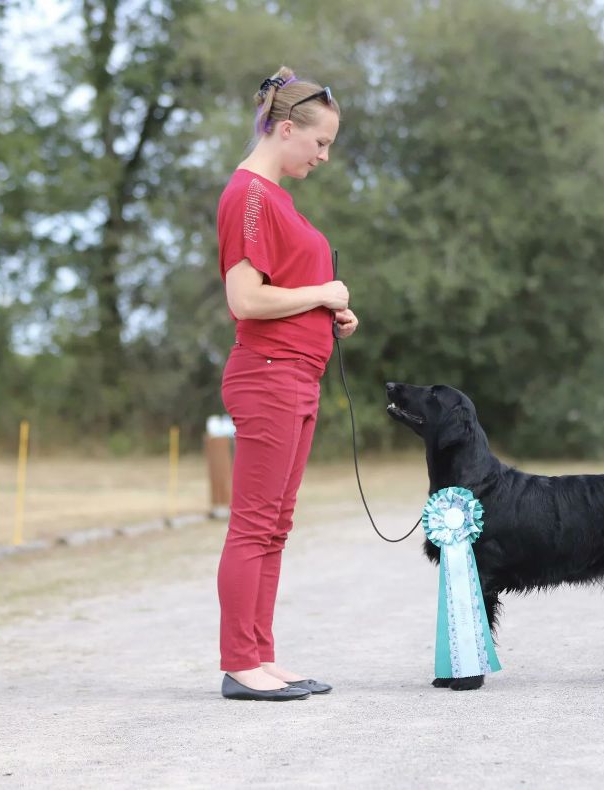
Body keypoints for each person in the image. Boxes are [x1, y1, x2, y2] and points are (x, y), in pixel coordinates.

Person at [215, 67, 357, 701]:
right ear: (287, 128)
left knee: (275, 527)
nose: (323, 156)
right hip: (267, 377)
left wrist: (331, 314)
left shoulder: (277, 200)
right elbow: (246, 300)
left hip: (299, 376)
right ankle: (239, 662)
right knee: (253, 525)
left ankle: (261, 656)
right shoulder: (248, 195)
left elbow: (283, 293)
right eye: (319, 143)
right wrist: (322, 291)